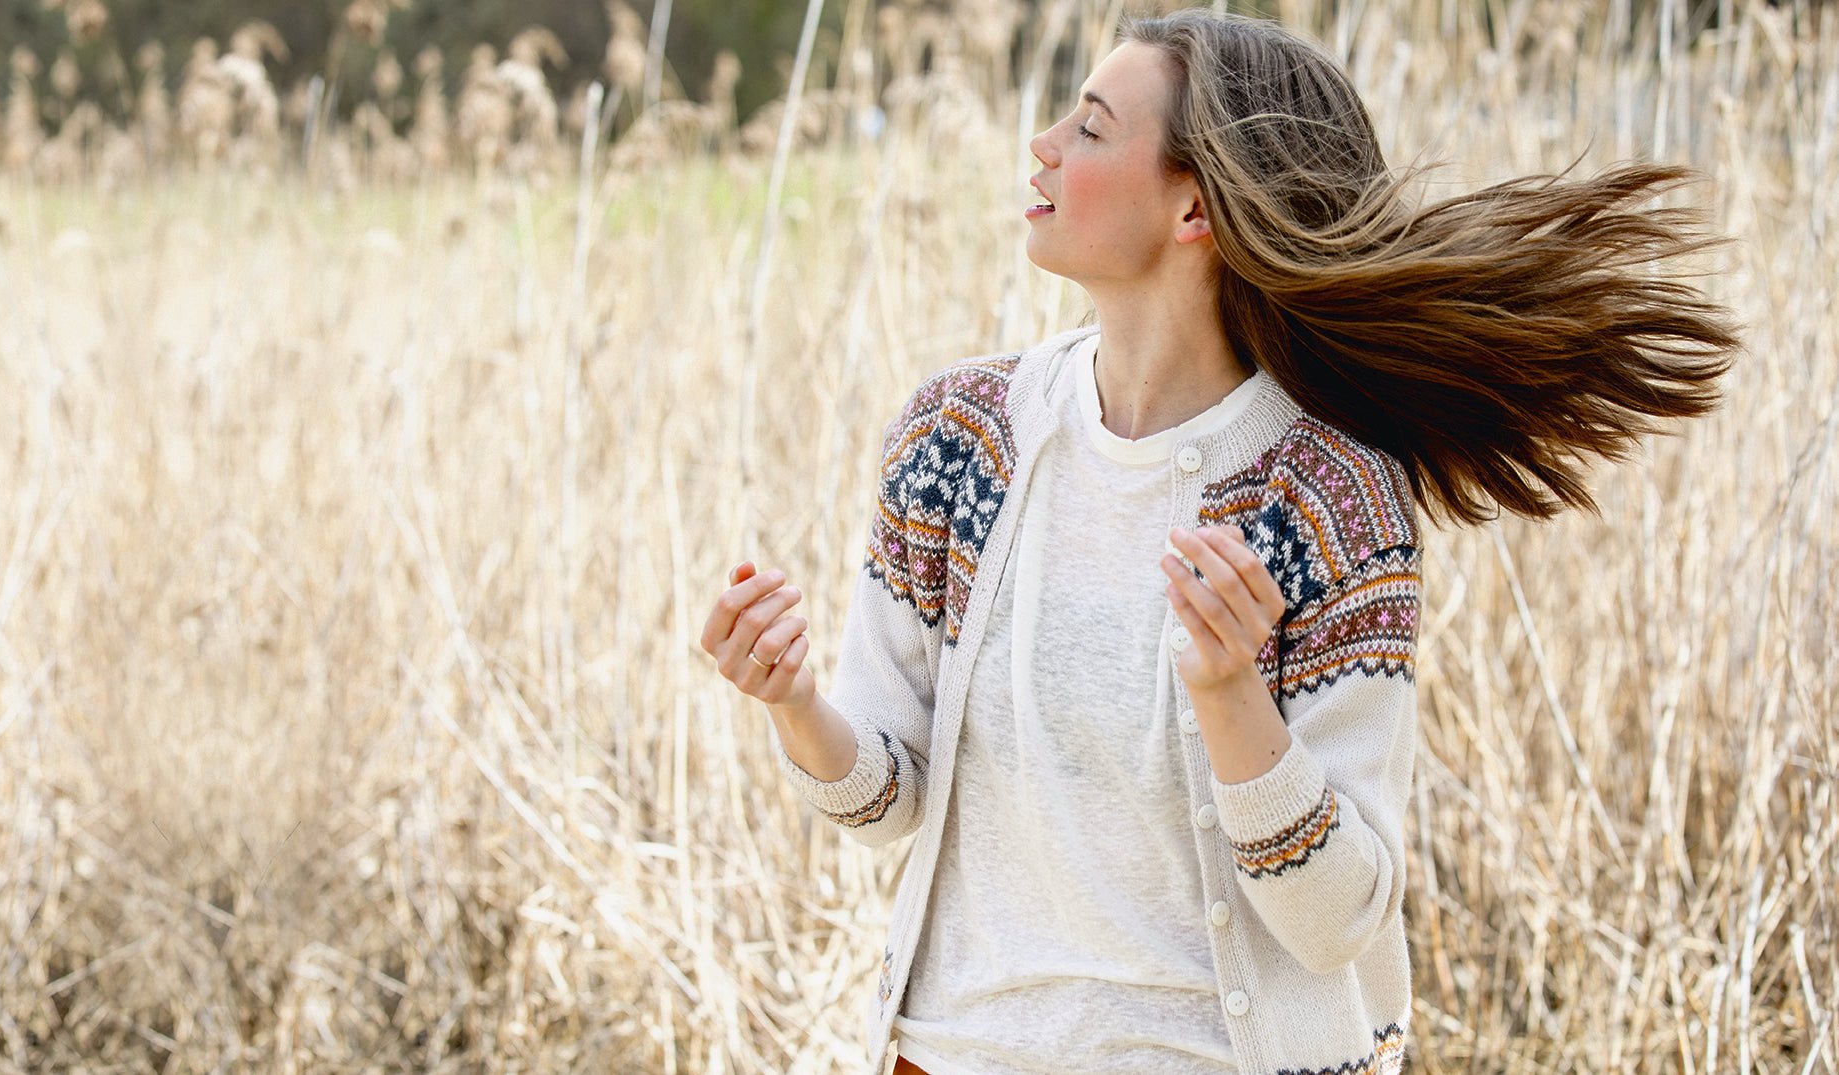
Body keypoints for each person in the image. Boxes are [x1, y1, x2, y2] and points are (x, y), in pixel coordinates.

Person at [701, 9, 1737, 1074]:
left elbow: (1341, 918)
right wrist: (794, 703)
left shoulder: (1326, 493)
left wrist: (1232, 692)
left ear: (1195, 204)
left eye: (1092, 128)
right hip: (951, 1052)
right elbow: (885, 801)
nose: (1044, 144)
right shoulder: (956, 437)